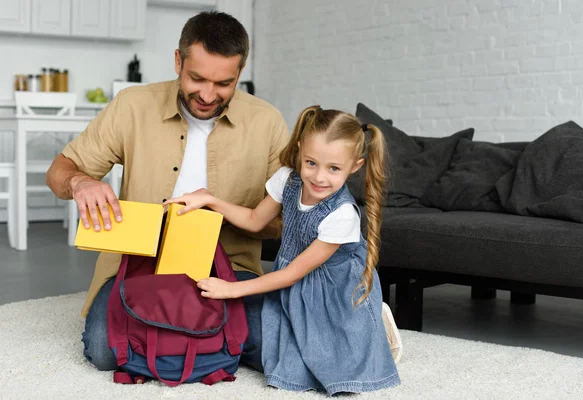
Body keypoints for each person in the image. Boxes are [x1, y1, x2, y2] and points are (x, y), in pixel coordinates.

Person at [45, 11, 289, 373]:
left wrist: (232, 217)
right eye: (196, 78)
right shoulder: (132, 105)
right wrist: (82, 182)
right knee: (103, 351)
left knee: (270, 347)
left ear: (240, 73)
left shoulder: (267, 122)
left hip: (229, 268)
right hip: (139, 264)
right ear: (178, 61)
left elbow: (284, 221)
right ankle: (197, 346)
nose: (208, 95)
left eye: (224, 83)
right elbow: (58, 172)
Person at [164, 105, 402, 395]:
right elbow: (254, 221)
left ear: (355, 166)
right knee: (277, 356)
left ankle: (371, 322)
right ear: (300, 150)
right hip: (292, 280)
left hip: (333, 291)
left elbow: (291, 274)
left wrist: (231, 289)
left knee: (324, 369)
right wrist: (210, 201)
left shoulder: (342, 214)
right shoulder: (288, 179)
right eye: (311, 163)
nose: (319, 177)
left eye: (334, 168)